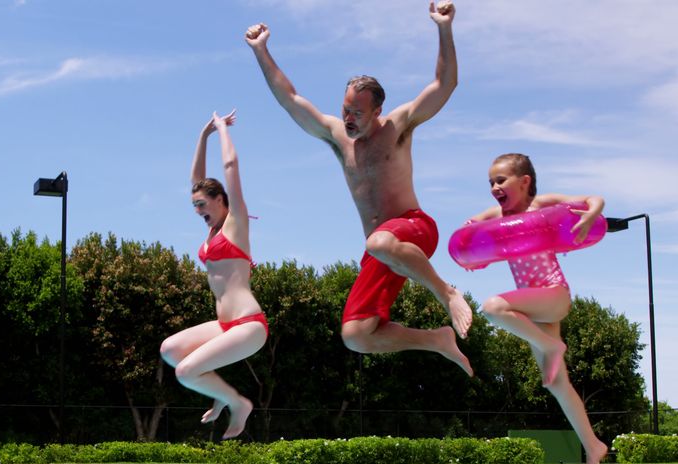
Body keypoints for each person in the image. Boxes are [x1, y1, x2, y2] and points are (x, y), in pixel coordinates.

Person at [245, 1, 472, 376]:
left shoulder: (398, 127)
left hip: (414, 230)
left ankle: (447, 293)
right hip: (382, 251)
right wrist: (261, 51)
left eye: (357, 113)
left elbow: (443, 85)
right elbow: (291, 99)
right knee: (357, 335)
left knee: (379, 242)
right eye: (346, 109)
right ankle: (436, 339)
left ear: (377, 111)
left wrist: (444, 29)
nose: (348, 119)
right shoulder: (338, 136)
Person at [467, 152, 610, 464]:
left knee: (492, 307)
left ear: (524, 181)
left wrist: (590, 216)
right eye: (490, 182)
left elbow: (594, 198)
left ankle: (551, 346)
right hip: (533, 307)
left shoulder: (541, 205)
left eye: (500, 180)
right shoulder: (498, 214)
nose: (494, 188)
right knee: (555, 383)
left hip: (553, 295)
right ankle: (593, 445)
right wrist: (476, 254)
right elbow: (471, 228)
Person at [159, 110, 263, 440]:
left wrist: (222, 130)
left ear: (221, 200)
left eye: (203, 204)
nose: (198, 211)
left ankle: (237, 403)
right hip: (223, 325)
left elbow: (231, 169)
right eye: (195, 206)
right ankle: (222, 397)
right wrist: (203, 136)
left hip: (249, 325)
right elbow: (196, 180)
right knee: (170, 350)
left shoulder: (236, 222)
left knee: (187, 371)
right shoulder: (212, 228)